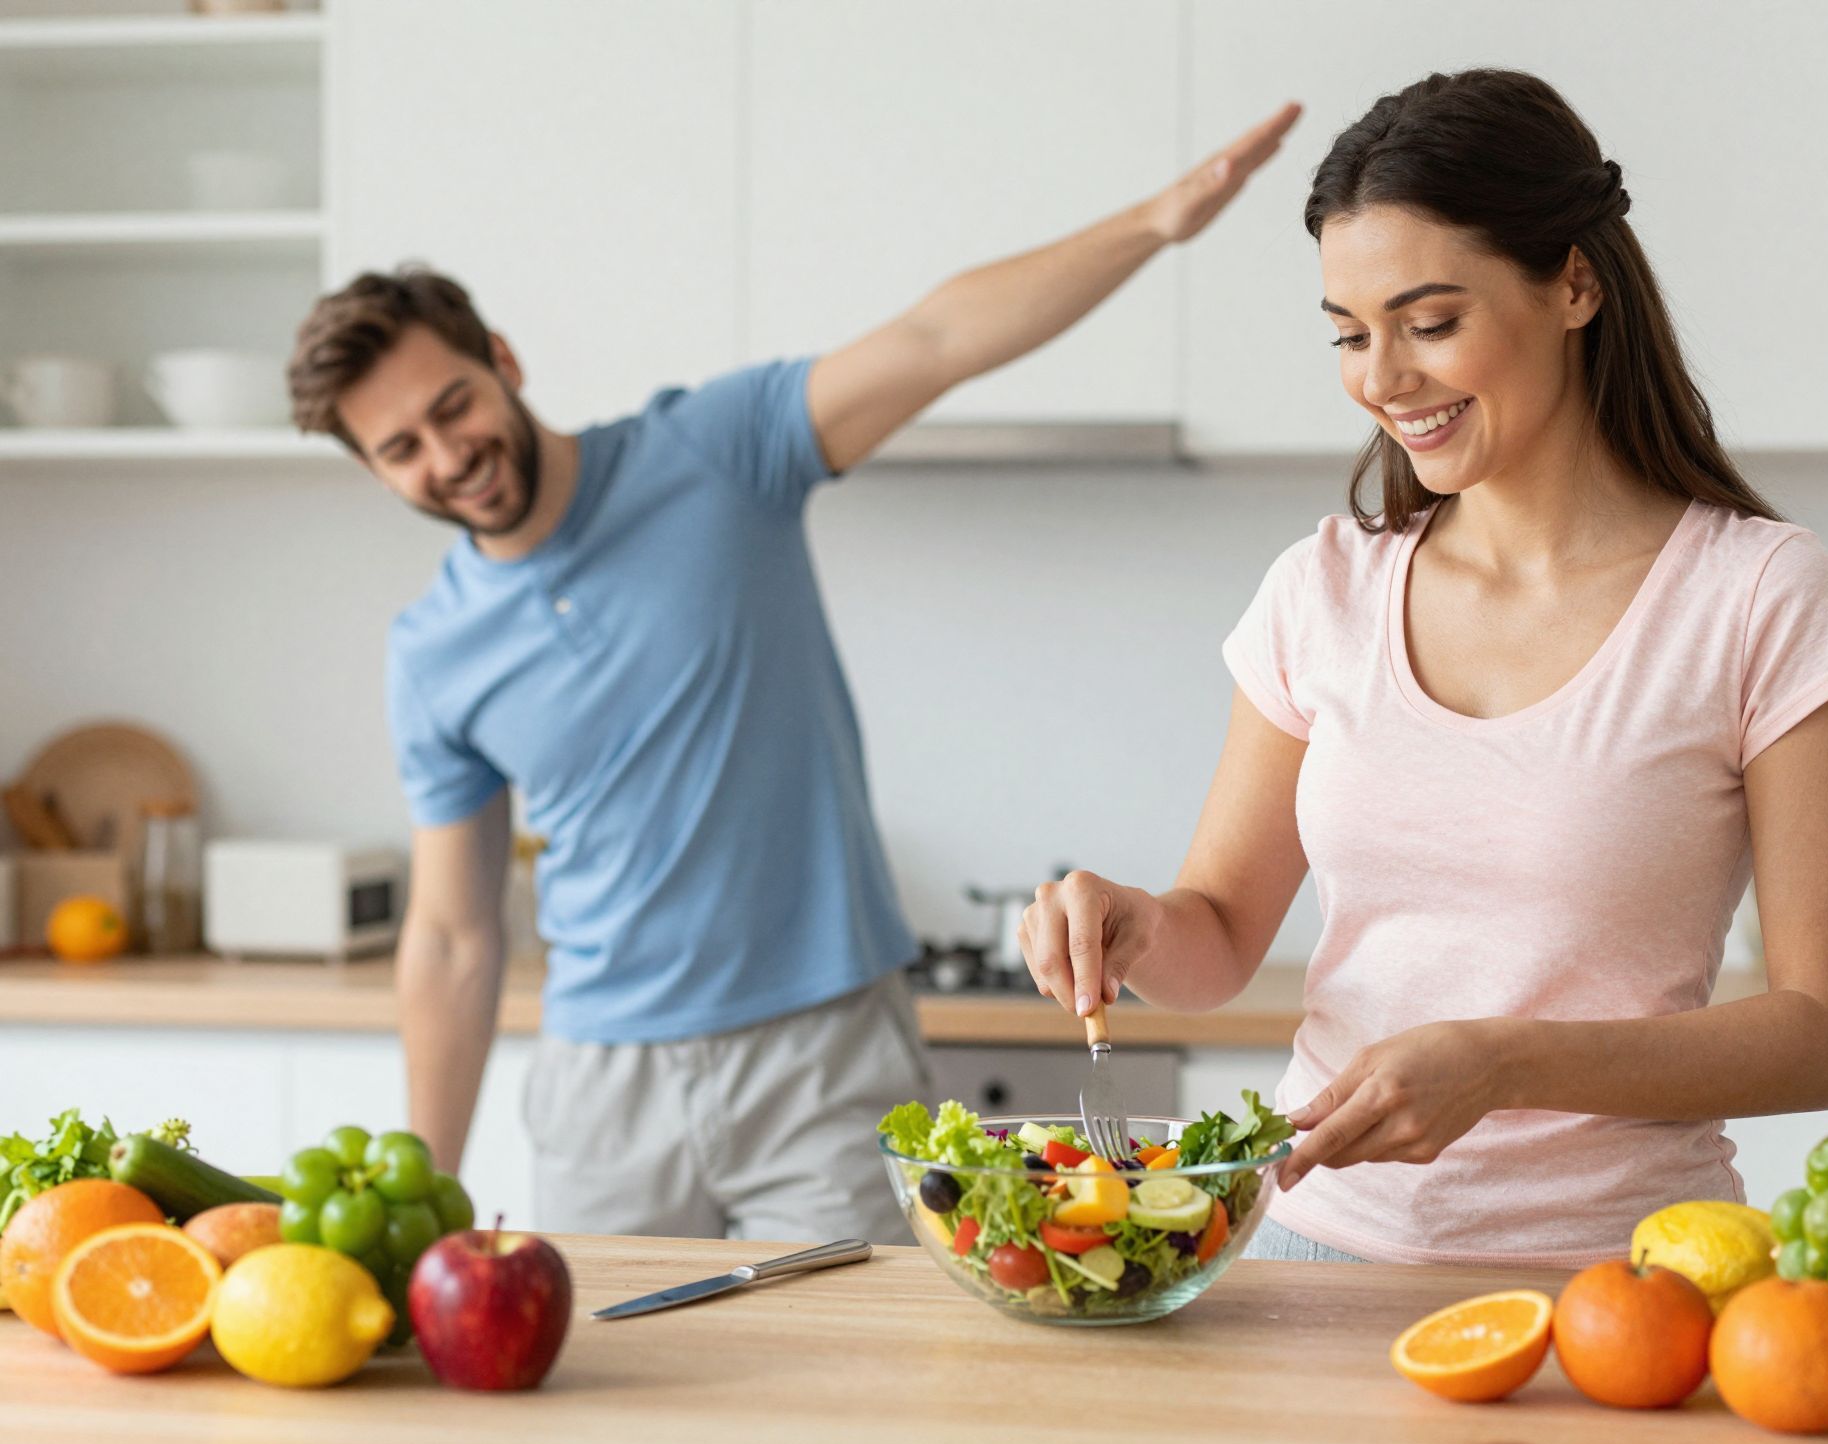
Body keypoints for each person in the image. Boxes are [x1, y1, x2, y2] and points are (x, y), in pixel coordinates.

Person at [285, 104, 1302, 1244]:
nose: (445, 456)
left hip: (822, 1052)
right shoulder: (430, 651)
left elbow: (933, 338)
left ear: (502, 363)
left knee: (857, 1394)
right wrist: (423, 1189)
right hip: (601, 1089)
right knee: (608, 1396)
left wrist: (1154, 223)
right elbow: (452, 938)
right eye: (399, 451)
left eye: (451, 406)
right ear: (374, 473)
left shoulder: (711, 451)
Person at [1018, 69, 1828, 1267]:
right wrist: (1127, 926)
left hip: (1619, 1280)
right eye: (1347, 333)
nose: (1380, 378)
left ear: (1574, 283)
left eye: (1428, 324)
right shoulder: (1321, 591)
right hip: (1307, 1252)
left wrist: (1505, 1060)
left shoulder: (1757, 598)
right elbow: (1215, 938)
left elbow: (1826, 1035)